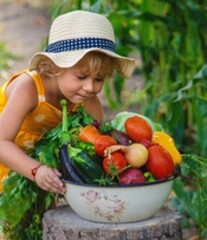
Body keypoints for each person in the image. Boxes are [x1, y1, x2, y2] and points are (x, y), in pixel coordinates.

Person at [0, 10, 134, 194]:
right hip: (9, 165)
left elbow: (99, 145)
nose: (90, 87)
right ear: (55, 67)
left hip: (45, 172)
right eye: (81, 76)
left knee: (45, 219)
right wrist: (36, 170)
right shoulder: (29, 87)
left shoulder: (88, 101)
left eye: (99, 79)